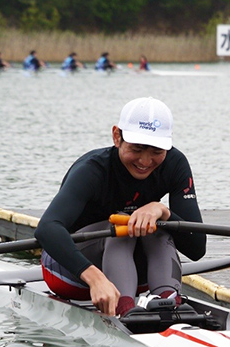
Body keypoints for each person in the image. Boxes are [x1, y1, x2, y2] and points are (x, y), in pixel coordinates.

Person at [34, 97, 206, 317]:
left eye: (156, 152)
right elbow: (46, 228)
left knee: (159, 225)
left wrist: (163, 211)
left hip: (137, 278)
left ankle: (167, 300)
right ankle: (124, 309)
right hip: (71, 274)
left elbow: (197, 248)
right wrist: (96, 278)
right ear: (117, 136)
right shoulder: (93, 169)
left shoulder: (175, 164)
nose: (145, 161)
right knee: (121, 227)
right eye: (137, 149)